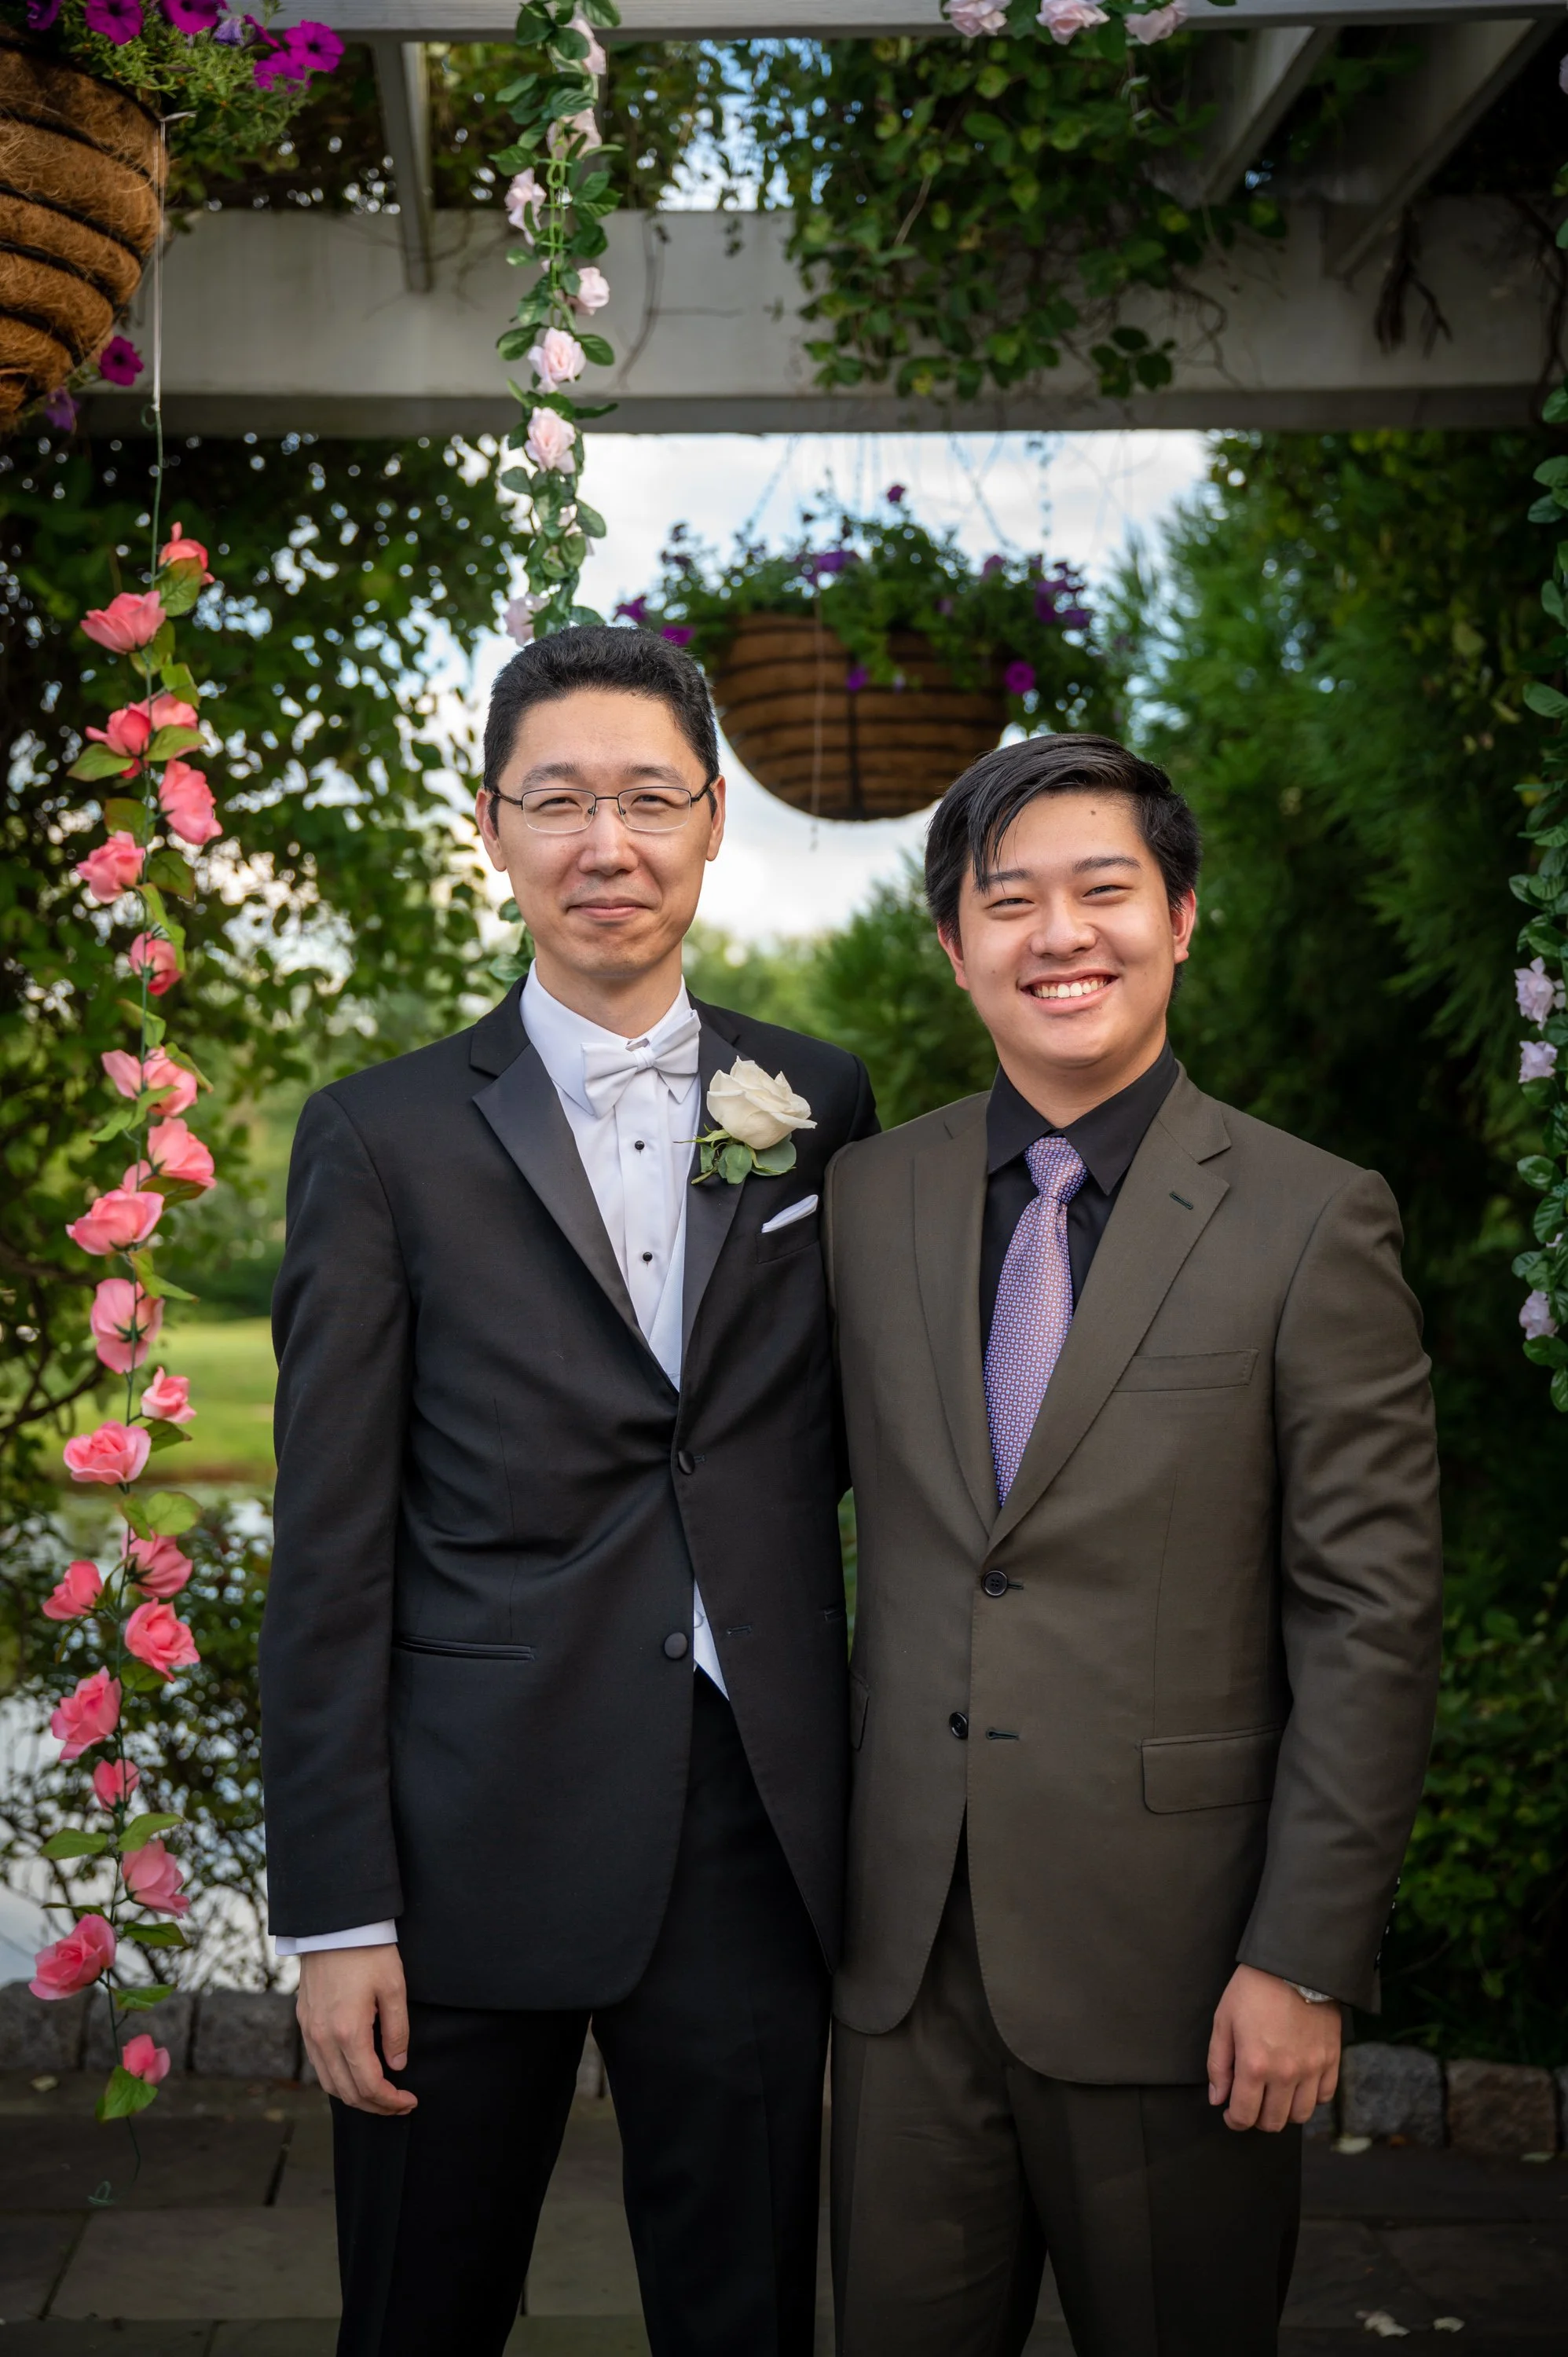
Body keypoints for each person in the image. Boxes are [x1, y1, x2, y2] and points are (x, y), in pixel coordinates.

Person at [259, 625, 876, 2357]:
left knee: (746, 2313)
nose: (607, 844)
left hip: (749, 1824)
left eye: (648, 800)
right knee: (420, 2312)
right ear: (492, 828)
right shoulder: (378, 1137)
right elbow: (329, 1554)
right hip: (462, 1841)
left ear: (713, 820)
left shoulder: (818, 1102)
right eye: (557, 802)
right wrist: (337, 1913)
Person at [822, 733, 1442, 2357]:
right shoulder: (865, 1201)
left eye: (1102, 890)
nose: (1059, 935)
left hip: (1183, 1972)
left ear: (1178, 917)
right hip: (902, 1973)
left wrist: (1303, 1959)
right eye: (1007, 900)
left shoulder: (1311, 1217)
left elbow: (1369, 1614)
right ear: (953, 946)